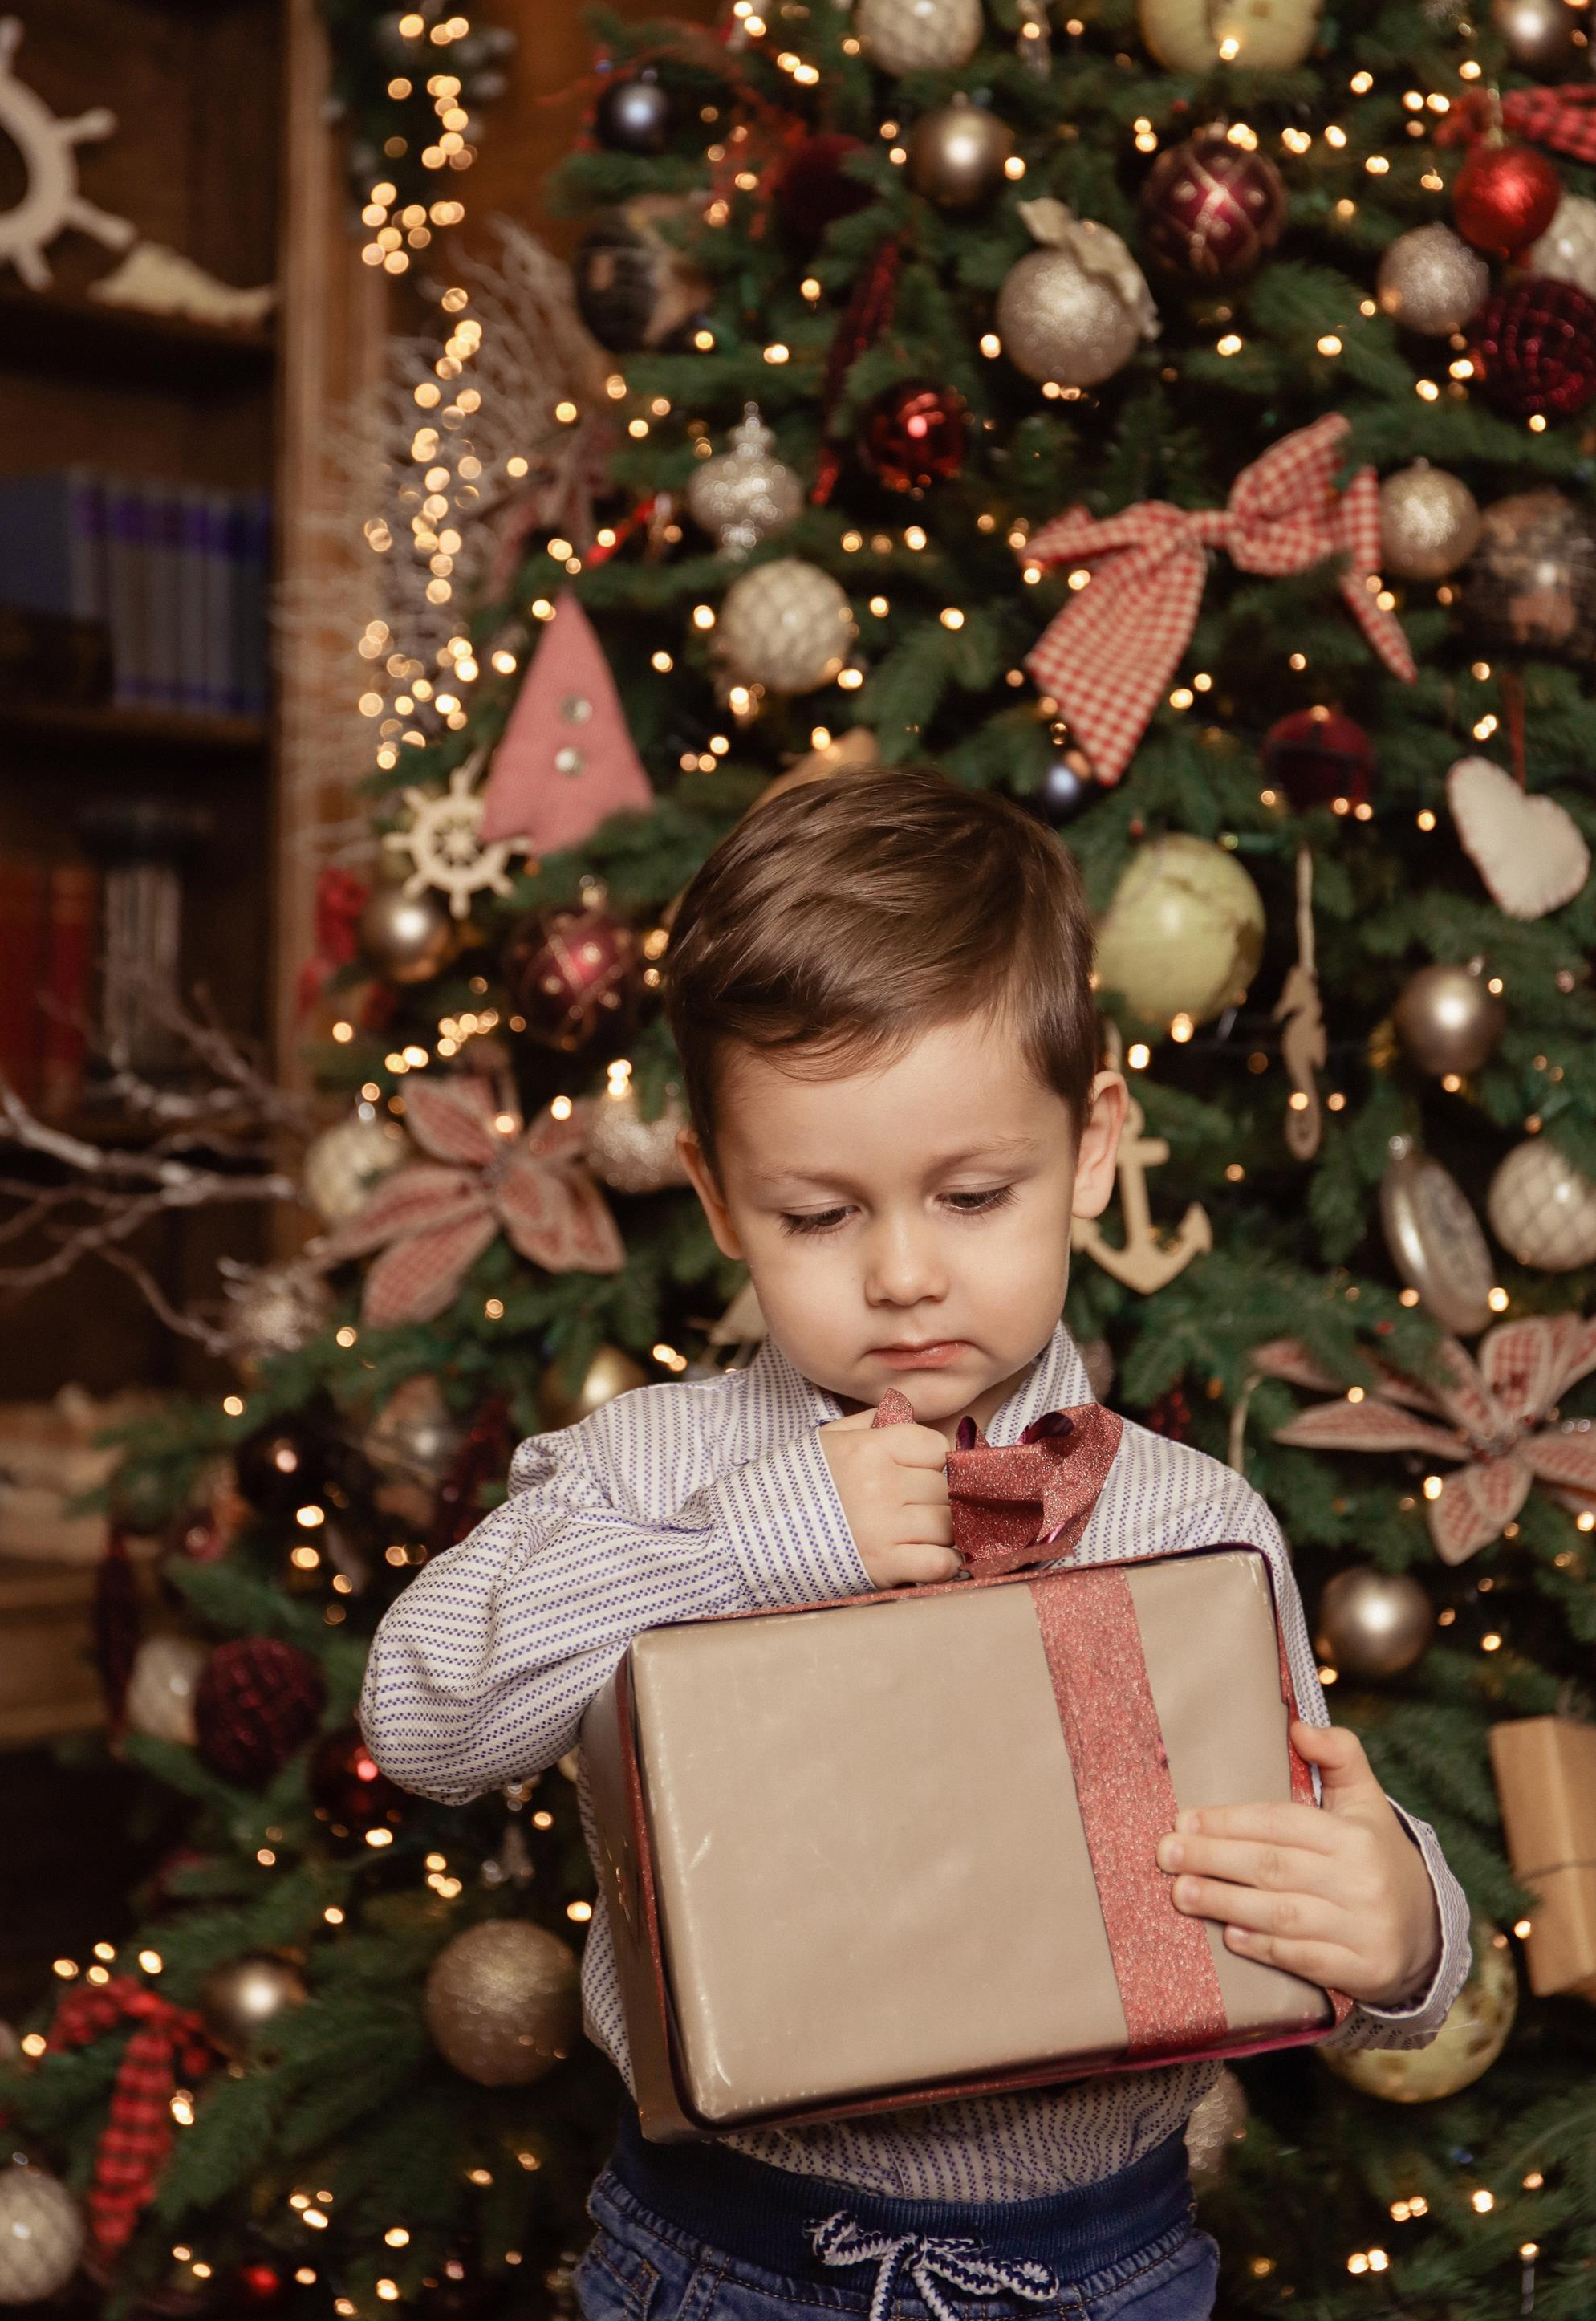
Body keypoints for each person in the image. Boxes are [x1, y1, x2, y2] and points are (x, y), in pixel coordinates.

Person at [361, 768, 1471, 2321]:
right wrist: (750, 1543)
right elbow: (421, 1718)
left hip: (1110, 2272)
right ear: (716, 1192)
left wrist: (1406, 1928)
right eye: (819, 1214)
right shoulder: (657, 1468)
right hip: (723, 2261)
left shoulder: (1194, 1521)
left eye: (972, 1194)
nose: (901, 1274)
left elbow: (1298, 1884)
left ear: (1092, 1144)